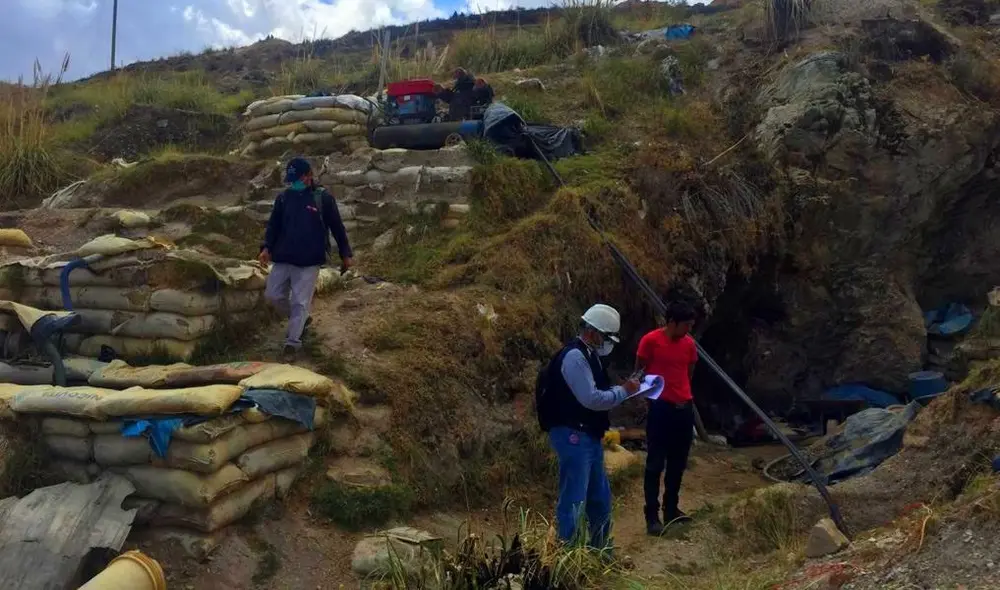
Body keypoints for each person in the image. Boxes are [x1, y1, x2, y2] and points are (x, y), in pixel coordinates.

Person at [537, 304, 641, 548]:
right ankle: (569, 556)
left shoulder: (589, 355)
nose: (608, 343)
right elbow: (592, 399)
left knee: (600, 498)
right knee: (574, 498)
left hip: (588, 435)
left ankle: (600, 551)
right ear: (593, 332)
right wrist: (624, 391)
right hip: (573, 435)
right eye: (606, 337)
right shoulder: (575, 357)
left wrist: (621, 391)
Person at [259, 157, 353, 361]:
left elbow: (337, 227)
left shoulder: (323, 199)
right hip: (283, 256)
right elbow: (273, 226)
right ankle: (301, 320)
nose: (294, 183)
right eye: (291, 180)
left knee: (300, 302)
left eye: (297, 179)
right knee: (273, 296)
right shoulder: (283, 198)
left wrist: (345, 254)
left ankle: (292, 344)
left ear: (308, 176)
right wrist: (266, 248)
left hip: (309, 260)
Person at [635, 301, 698, 536]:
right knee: (655, 463)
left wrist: (682, 393)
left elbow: (689, 372)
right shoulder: (650, 341)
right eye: (686, 325)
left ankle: (671, 508)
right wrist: (647, 396)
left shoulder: (689, 345)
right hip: (661, 407)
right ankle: (651, 515)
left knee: (678, 461)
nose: (688, 330)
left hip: (683, 408)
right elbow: (640, 369)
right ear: (672, 322)